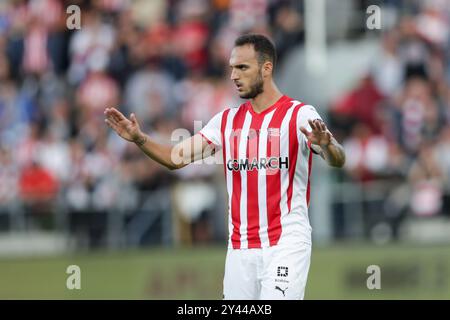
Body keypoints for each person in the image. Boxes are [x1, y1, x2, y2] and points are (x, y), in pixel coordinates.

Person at [104, 34, 346, 300]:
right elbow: (175, 158)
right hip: (240, 248)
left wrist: (327, 146)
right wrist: (140, 139)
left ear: (267, 69)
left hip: (285, 243)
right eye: (231, 67)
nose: (233, 75)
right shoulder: (227, 122)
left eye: (242, 67)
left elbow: (338, 160)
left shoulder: (299, 114)